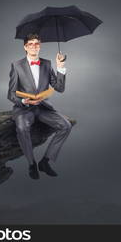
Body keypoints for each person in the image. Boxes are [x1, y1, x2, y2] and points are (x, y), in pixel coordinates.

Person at [7, 33, 75, 179]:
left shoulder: (47, 64)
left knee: (66, 125)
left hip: (42, 107)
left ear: (40, 46)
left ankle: (45, 162)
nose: (34, 46)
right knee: (22, 128)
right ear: (25, 47)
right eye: (31, 44)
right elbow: (11, 94)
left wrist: (61, 66)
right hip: (24, 108)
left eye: (37, 43)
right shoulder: (16, 65)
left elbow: (59, 88)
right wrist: (24, 101)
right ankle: (32, 164)